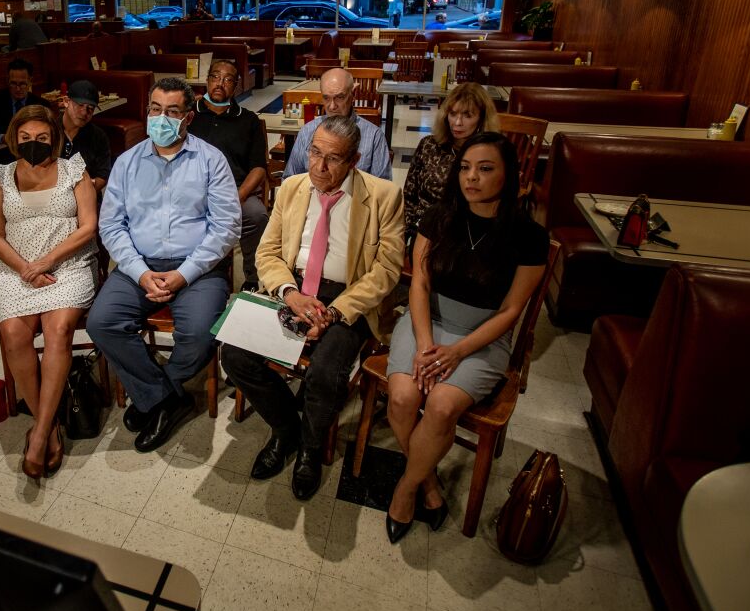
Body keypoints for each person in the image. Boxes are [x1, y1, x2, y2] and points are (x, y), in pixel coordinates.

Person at [221, 116, 404, 500]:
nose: (319, 167)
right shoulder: (291, 187)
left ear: (354, 160)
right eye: (314, 152)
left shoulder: (384, 196)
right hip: (296, 288)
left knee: (325, 373)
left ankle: (310, 449)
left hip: (348, 296)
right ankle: (287, 430)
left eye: (332, 159)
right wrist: (290, 293)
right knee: (235, 353)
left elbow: (386, 272)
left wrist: (333, 313)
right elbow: (269, 252)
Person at [384, 132, 548, 543]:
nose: (471, 177)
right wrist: (425, 345)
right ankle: (429, 483)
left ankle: (406, 488)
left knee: (440, 405)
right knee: (403, 397)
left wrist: (456, 352)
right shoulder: (439, 216)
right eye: (465, 168)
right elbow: (419, 284)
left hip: (482, 335)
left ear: (508, 175)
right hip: (428, 319)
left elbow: (512, 311)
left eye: (486, 168)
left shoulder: (528, 234)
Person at [87, 77, 241, 453]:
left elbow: (226, 226)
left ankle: (155, 396)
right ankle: (168, 400)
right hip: (138, 264)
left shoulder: (210, 160)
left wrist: (182, 274)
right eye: (155, 109)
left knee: (202, 332)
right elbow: (111, 225)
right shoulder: (127, 162)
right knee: (101, 322)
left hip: (197, 267)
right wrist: (140, 271)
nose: (161, 118)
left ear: (188, 117)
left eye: (171, 112)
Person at [0, 105, 98, 480]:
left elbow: (88, 227)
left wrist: (46, 262)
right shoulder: (0, 177)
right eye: (26, 139)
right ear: (15, 139)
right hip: (16, 269)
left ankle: (37, 439)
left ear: (55, 138)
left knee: (59, 331)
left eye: (42, 138)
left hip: (66, 265)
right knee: (13, 332)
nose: (34, 144)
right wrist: (24, 268)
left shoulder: (74, 170)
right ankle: (47, 427)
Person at [187, 60, 268, 290]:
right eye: (215, 77)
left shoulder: (248, 120)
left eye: (228, 79)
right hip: (193, 189)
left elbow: (259, 168)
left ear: (236, 86)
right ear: (207, 80)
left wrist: (238, 196)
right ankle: (197, 274)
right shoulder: (190, 114)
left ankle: (252, 279)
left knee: (256, 214)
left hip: (236, 190)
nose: (220, 83)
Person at [403, 83, 500, 246]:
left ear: (482, 119)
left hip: (469, 236)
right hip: (425, 232)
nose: (458, 122)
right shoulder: (429, 145)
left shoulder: (491, 155)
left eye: (467, 116)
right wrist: (405, 233)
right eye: (453, 114)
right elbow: (409, 195)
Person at [284, 68, 392, 181]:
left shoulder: (374, 136)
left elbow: (382, 189)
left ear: (353, 95)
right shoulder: (307, 131)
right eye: (326, 98)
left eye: (339, 97)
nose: (332, 106)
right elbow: (290, 180)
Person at [0, 59, 48, 145]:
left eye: (22, 84)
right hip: (1, 152)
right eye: (13, 83)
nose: (18, 89)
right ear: (8, 80)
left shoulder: (41, 105)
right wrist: (2, 138)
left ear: (30, 81)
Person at [59, 80, 113, 191]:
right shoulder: (49, 131)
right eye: (80, 105)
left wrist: (85, 189)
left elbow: (102, 176)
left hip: (86, 196)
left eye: (90, 108)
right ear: (66, 101)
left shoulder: (99, 136)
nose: (84, 113)